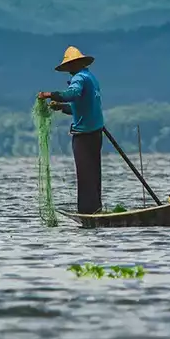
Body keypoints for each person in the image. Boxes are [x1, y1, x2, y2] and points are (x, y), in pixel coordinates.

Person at [38, 46, 104, 214]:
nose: (68, 70)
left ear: (75, 64)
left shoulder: (79, 78)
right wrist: (61, 107)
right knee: (94, 173)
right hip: (96, 132)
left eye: (69, 66)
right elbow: (80, 105)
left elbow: (73, 94)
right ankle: (96, 208)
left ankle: (88, 211)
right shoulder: (91, 78)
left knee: (84, 174)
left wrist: (50, 94)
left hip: (84, 135)